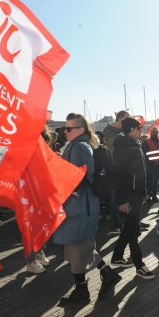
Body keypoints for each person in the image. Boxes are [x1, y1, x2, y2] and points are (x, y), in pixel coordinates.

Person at [53, 113, 120, 303]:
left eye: (69, 128)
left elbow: (77, 177)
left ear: (80, 130)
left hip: (79, 206)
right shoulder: (79, 145)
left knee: (77, 248)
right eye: (65, 128)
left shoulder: (79, 147)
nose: (65, 132)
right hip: (82, 205)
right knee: (84, 245)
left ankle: (82, 291)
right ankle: (107, 275)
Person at [111, 117, 155, 279]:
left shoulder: (136, 144)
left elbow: (141, 171)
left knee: (130, 228)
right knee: (133, 230)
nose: (141, 129)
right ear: (130, 129)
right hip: (128, 196)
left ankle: (116, 257)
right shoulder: (123, 148)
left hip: (136, 194)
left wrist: (145, 190)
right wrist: (122, 200)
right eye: (138, 127)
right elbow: (119, 176)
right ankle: (139, 265)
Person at [103, 111, 129, 234]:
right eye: (126, 119)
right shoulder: (110, 132)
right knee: (114, 197)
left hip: (122, 167)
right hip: (114, 168)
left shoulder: (120, 133)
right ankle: (115, 225)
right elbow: (118, 143)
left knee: (124, 196)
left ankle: (128, 221)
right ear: (120, 119)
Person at [143, 127, 159, 203]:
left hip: (158, 164)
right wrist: (148, 162)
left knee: (156, 180)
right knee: (151, 180)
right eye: (153, 131)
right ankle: (148, 195)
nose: (154, 133)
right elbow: (145, 153)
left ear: (157, 132)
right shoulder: (147, 142)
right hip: (151, 164)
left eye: (155, 131)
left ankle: (154, 195)